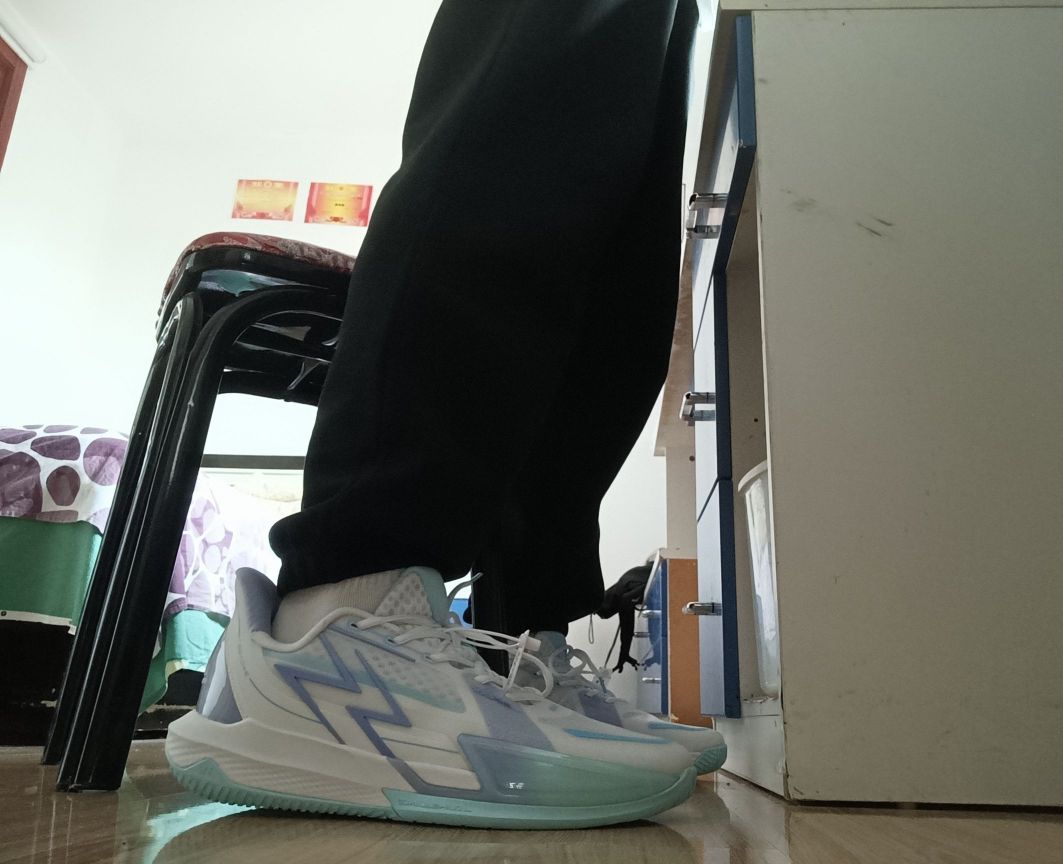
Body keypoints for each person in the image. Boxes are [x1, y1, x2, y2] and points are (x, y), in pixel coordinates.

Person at [165, 0, 725, 828]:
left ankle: (523, 646)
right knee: (534, 110)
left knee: (617, 254)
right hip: (352, 600)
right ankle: (346, 615)